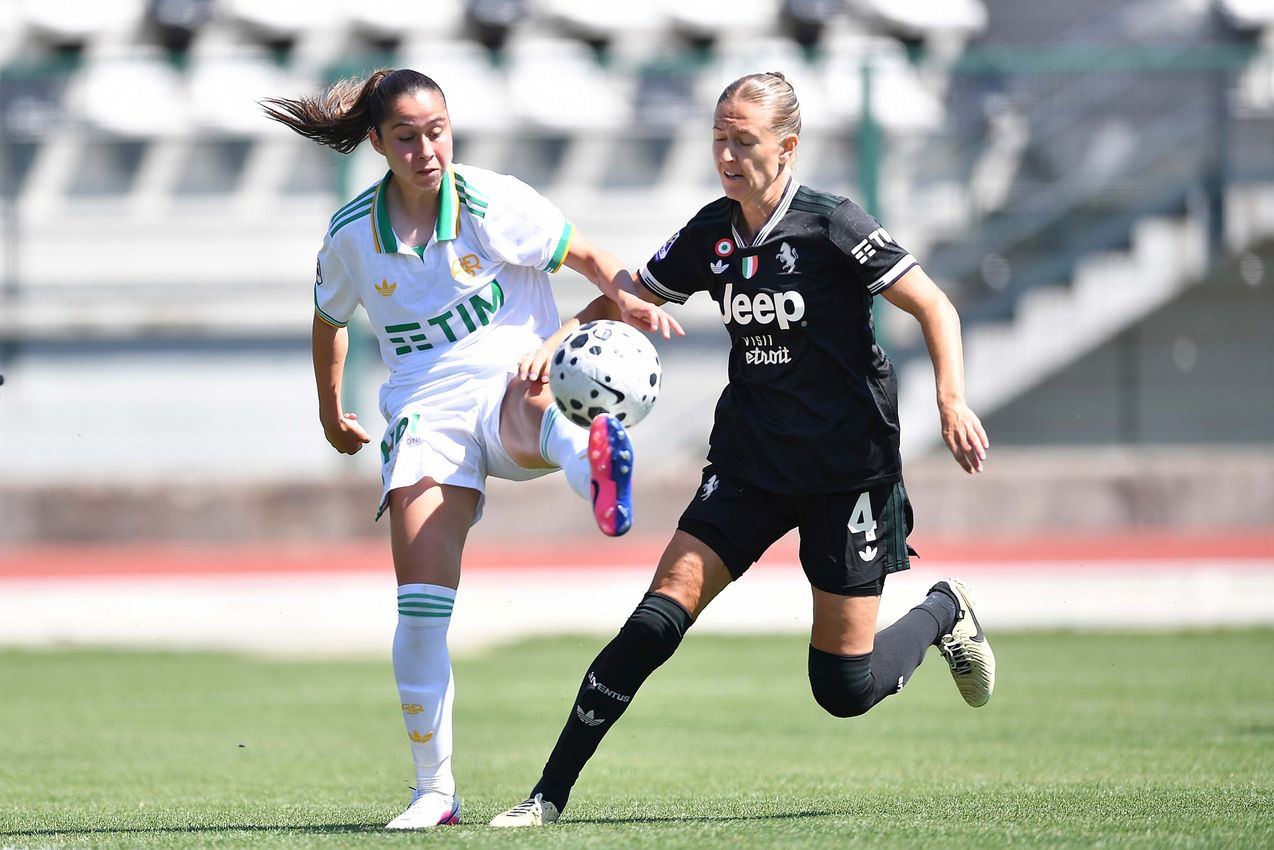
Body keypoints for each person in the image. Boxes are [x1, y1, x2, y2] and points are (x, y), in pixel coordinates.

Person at [489, 71, 995, 828]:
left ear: (787, 147)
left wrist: (952, 398)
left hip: (846, 472)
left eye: (743, 140)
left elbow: (932, 304)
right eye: (718, 137)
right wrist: (557, 342)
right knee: (657, 619)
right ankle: (546, 797)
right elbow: (629, 297)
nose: (726, 153)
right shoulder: (712, 234)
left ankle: (942, 611)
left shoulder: (833, 224)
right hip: (750, 463)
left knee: (843, 689)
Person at [261, 68, 682, 830]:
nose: (428, 149)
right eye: (408, 137)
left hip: (512, 374)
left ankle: (596, 470)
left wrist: (632, 296)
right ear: (377, 144)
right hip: (423, 408)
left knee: (529, 395)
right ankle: (434, 794)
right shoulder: (353, 232)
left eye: (438, 130)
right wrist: (331, 416)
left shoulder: (491, 201)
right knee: (420, 607)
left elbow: (586, 256)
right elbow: (330, 319)